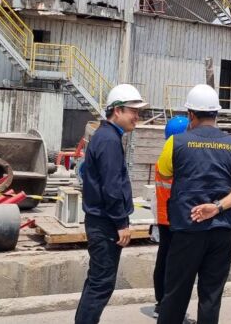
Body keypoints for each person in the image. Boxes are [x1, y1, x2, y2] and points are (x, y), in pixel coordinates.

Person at [155, 84, 231, 324]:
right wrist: (218, 206)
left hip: (187, 229)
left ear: (191, 114)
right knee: (211, 296)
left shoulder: (176, 143)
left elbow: (164, 171)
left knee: (175, 294)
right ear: (216, 114)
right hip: (222, 229)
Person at [75, 84, 148, 324]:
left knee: (97, 280)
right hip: (105, 223)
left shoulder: (106, 136)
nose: (136, 117)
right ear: (116, 111)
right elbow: (112, 186)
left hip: (101, 220)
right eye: (132, 111)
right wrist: (121, 222)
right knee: (101, 284)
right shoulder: (108, 140)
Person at [152, 115, 190, 319]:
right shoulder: (177, 157)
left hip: (163, 215)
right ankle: (169, 304)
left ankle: (161, 301)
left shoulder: (164, 155)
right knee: (175, 263)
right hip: (176, 217)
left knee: (164, 258)